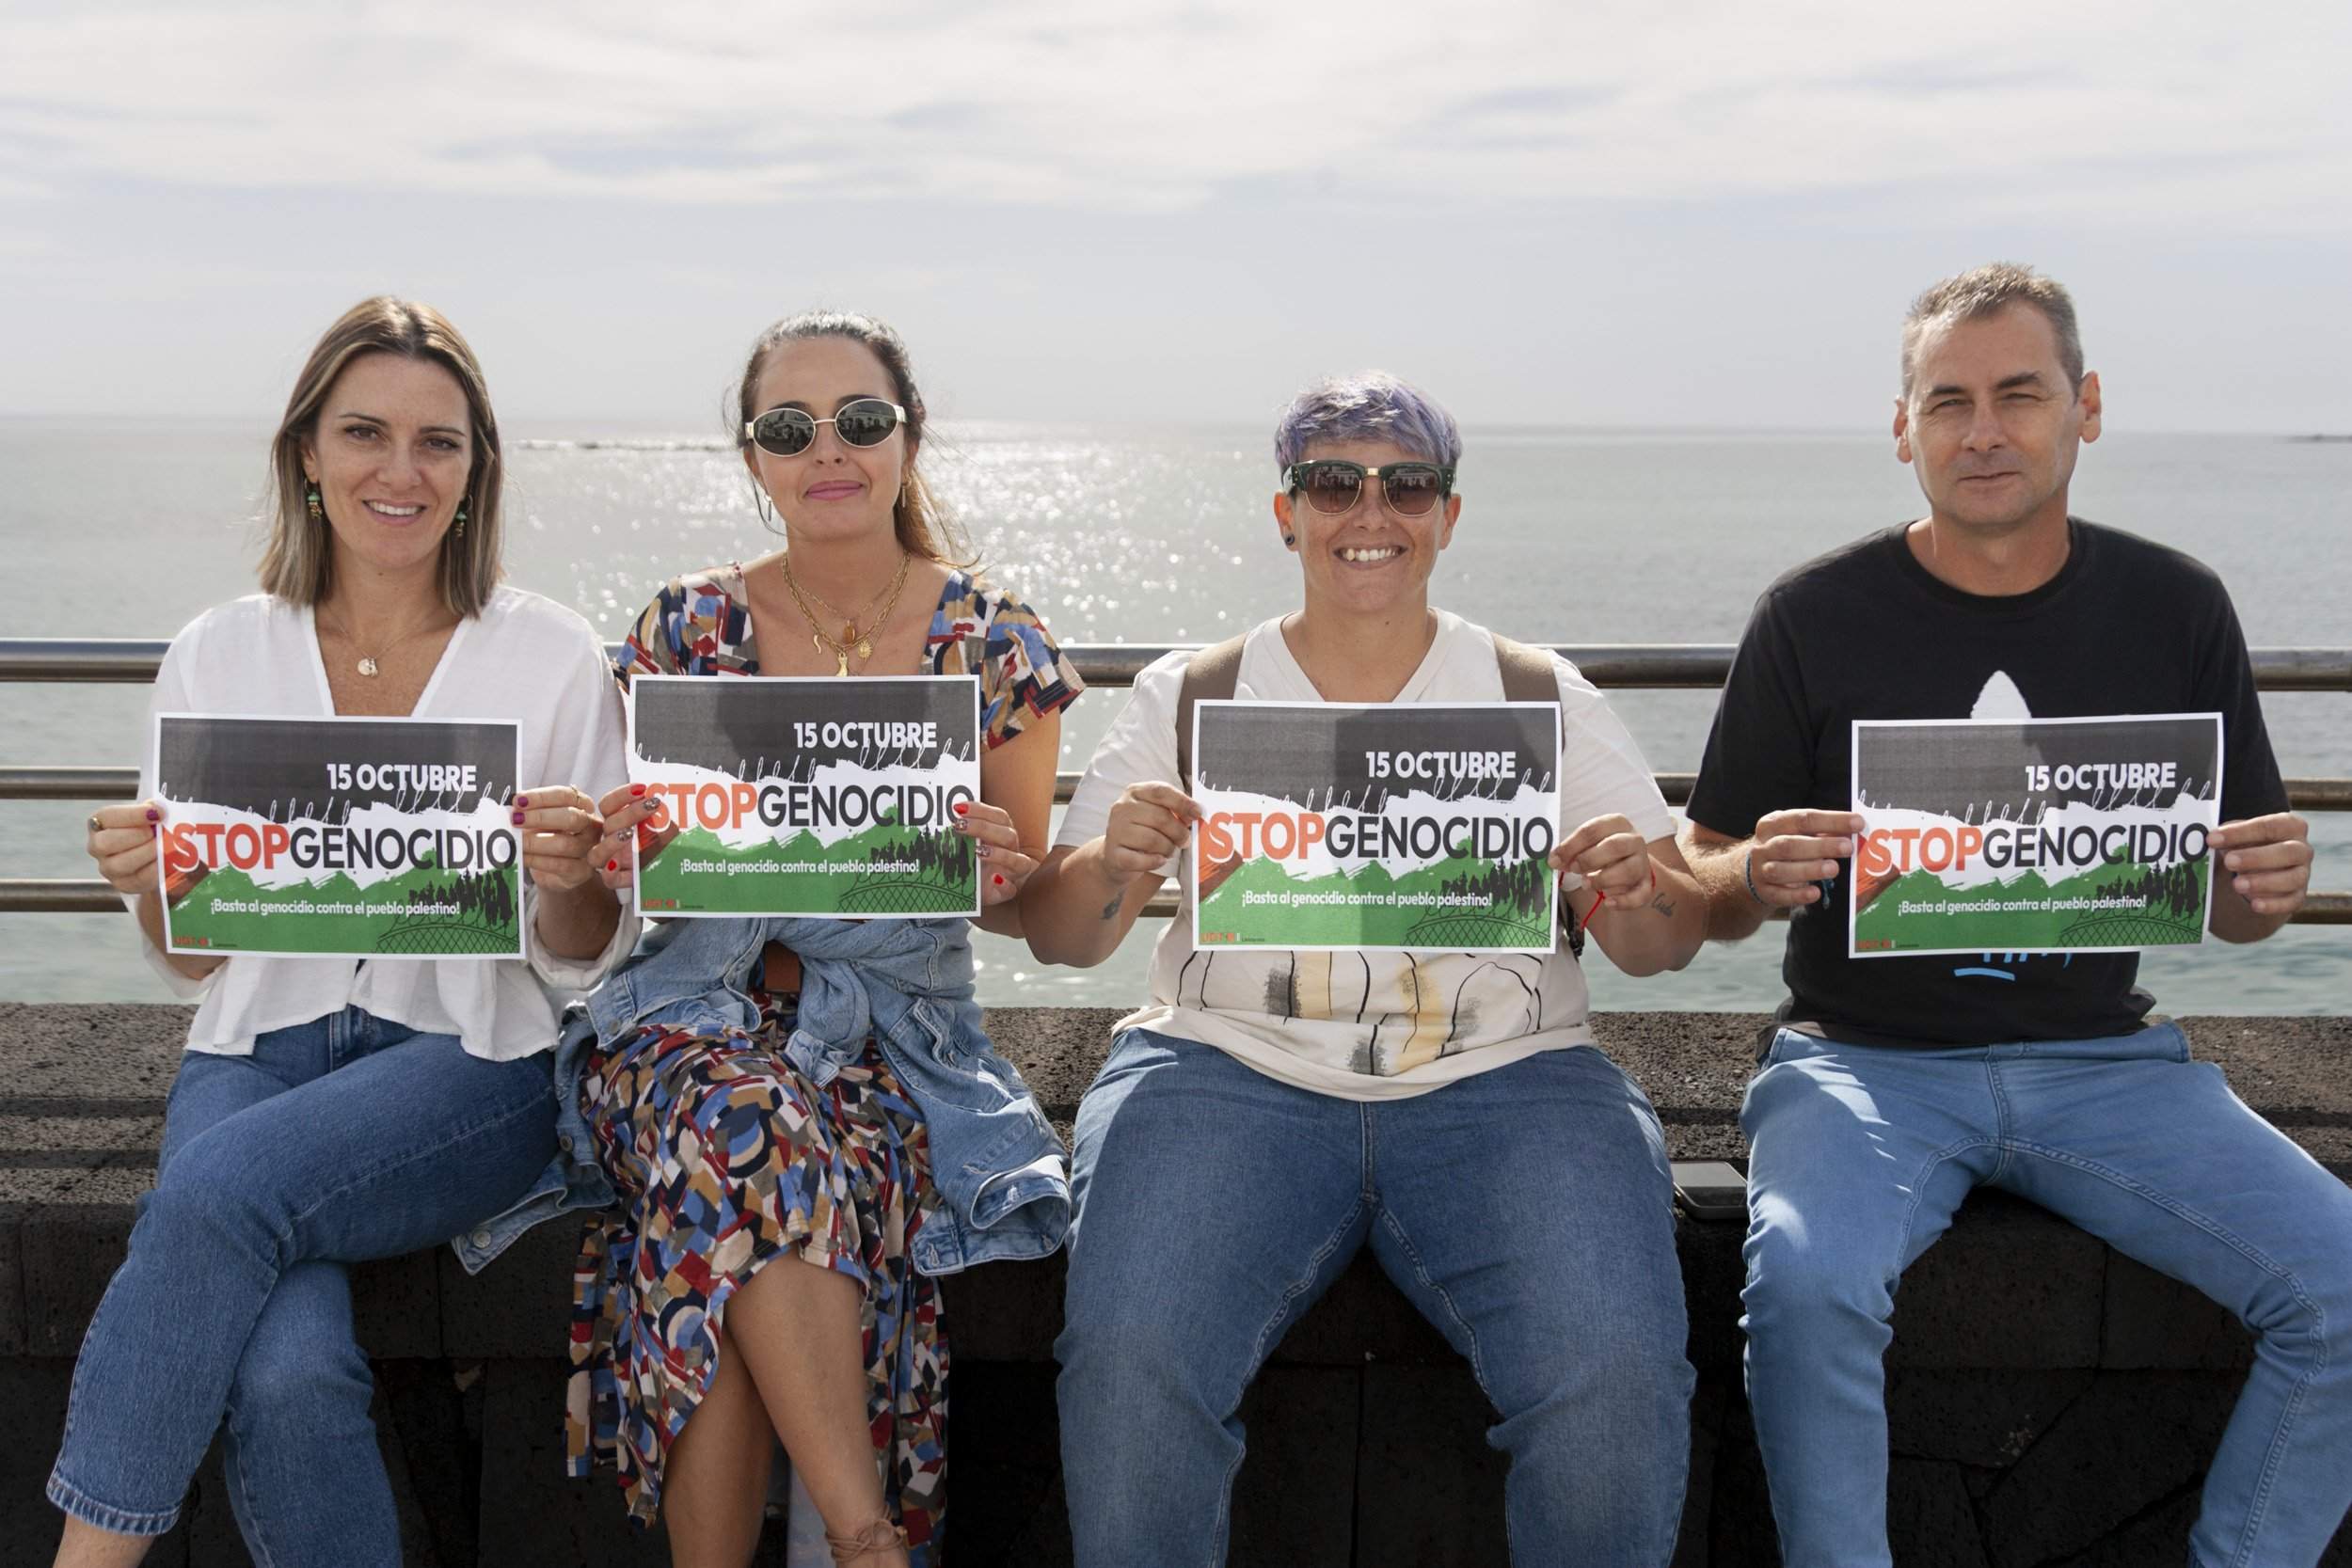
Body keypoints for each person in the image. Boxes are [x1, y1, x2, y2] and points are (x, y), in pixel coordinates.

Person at [1678, 262, 2352, 1568]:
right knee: (1808, 1286)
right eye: (1949, 401)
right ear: (1903, 428)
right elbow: (1699, 870)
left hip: (2109, 1064)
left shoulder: (2178, 605)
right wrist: (1742, 874)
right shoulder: (1809, 615)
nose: (1983, 429)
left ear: (2085, 407)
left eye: (2018, 394)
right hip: (1858, 1065)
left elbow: (2233, 899)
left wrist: (2261, 890)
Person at [1025, 372, 1705, 1566]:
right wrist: (1109, 864)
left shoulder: (1535, 690)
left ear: (1449, 512)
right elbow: (1064, 939)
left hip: (1513, 1073)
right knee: (1131, 1359)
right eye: (1332, 481)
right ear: (1285, 510)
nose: (1368, 509)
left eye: (1406, 482)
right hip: (1223, 1065)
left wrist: (1639, 892)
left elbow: (1660, 947)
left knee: (1618, 1370)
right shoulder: (1190, 690)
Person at [53, 298, 632, 1568]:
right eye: (365, 432)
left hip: (471, 1064)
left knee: (211, 1193)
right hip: (255, 1052)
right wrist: (150, 882)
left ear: (477, 470)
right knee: (284, 1373)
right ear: (306, 454)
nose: (401, 469)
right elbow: (203, 955)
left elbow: (582, 952)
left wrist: (572, 870)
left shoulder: (548, 652)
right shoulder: (218, 651)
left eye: (440, 441)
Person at [566, 309, 1082, 1568]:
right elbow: (604, 914)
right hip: (686, 1018)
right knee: (744, 1118)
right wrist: (601, 858)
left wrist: (1007, 866)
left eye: (860, 419)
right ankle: (866, 1535)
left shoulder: (993, 639)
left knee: (727, 1218)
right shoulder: (680, 631)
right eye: (789, 427)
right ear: (753, 456)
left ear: (908, 436)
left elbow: (1011, 890)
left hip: (890, 1047)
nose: (828, 448)